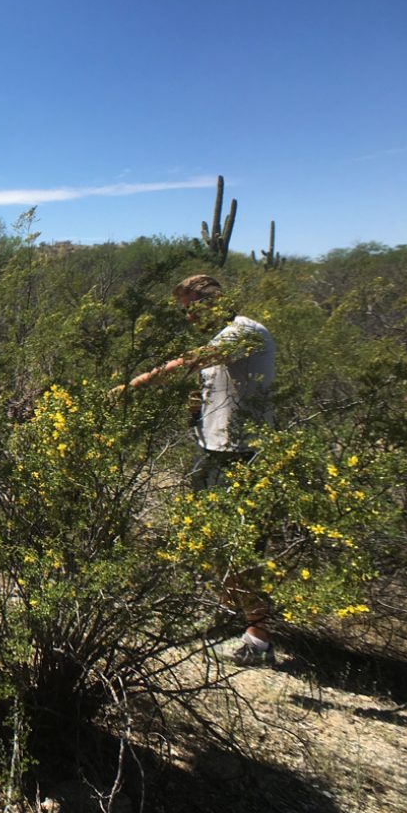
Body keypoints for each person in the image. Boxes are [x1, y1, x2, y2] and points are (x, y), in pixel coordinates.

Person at [118, 274, 277, 665]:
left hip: (243, 453)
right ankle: (232, 617)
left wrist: (133, 386)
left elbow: (188, 363)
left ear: (215, 301)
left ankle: (258, 639)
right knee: (208, 536)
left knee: (239, 542)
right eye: (185, 311)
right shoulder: (222, 338)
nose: (189, 317)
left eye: (192, 308)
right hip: (216, 450)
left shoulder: (243, 332)